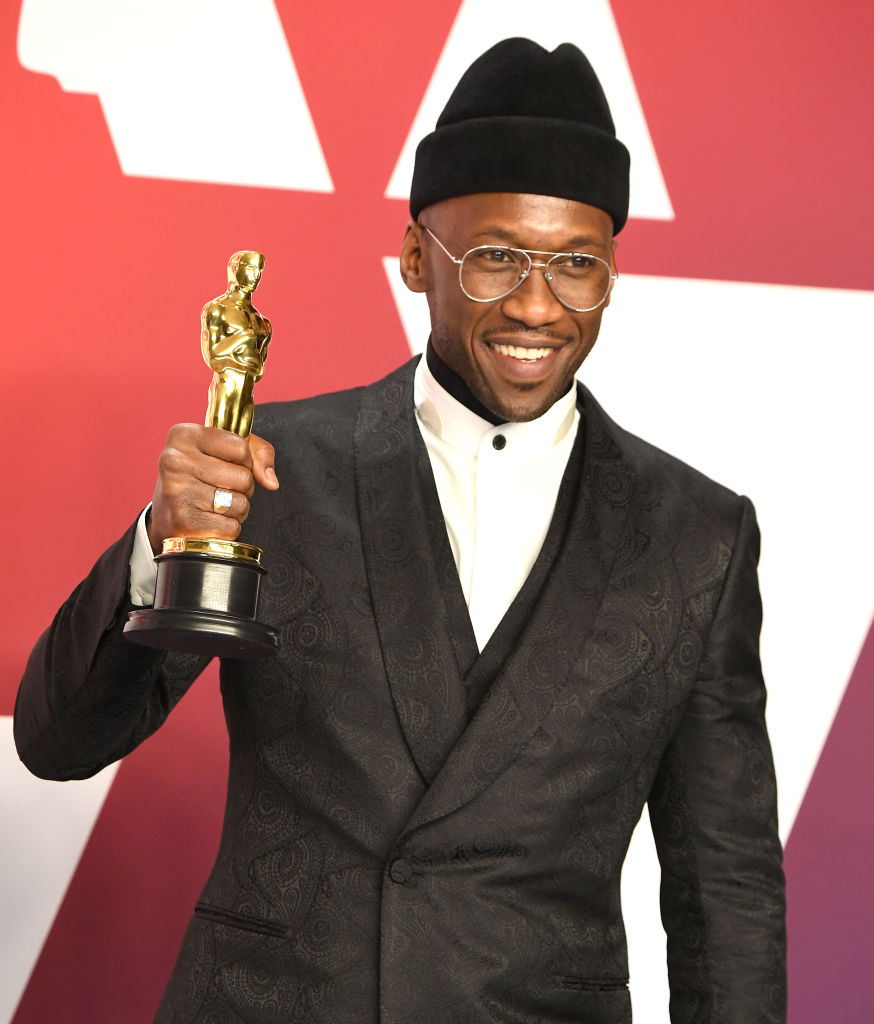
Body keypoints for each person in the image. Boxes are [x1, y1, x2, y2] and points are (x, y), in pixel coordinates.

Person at [14, 38, 786, 1024]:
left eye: (576, 264)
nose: (538, 304)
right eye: (498, 255)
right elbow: (58, 739)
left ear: (610, 272)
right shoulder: (268, 467)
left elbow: (723, 885)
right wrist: (159, 539)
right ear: (418, 254)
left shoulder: (697, 535)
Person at [201, 250, 272, 438]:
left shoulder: (263, 323)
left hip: (247, 390)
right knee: (217, 446)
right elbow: (214, 357)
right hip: (227, 385)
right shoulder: (218, 309)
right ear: (235, 269)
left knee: (241, 448)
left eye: (259, 270)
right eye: (249, 268)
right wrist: (244, 338)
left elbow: (259, 370)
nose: (255, 276)